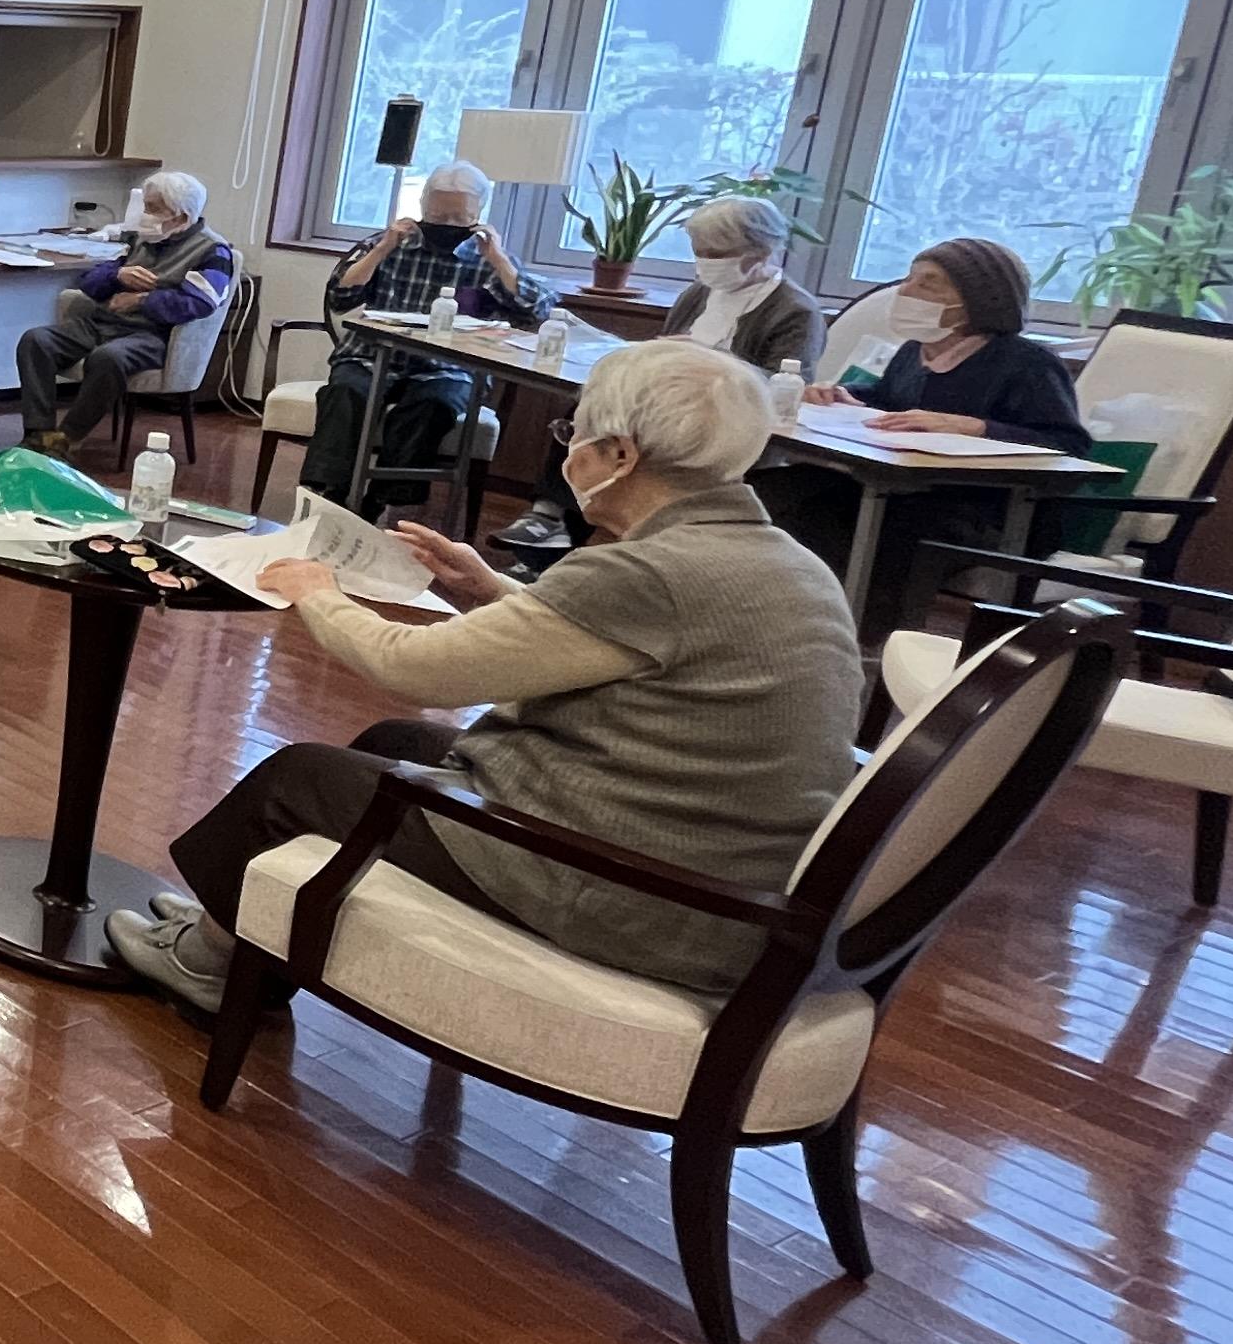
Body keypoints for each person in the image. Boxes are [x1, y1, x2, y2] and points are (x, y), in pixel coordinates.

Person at [108, 339, 861, 1011]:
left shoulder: (643, 572)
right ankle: (244, 933)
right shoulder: (790, 563)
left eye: (574, 435)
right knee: (393, 744)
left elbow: (412, 669)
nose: (569, 453)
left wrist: (317, 592)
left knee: (299, 779)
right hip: (726, 882)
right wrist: (490, 589)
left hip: (640, 895)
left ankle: (207, 962)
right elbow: (616, 647)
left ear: (620, 456)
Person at [757, 234, 1089, 640]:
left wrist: (978, 427)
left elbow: (1067, 445)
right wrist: (843, 395)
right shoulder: (913, 351)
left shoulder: (1028, 363)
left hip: (979, 509)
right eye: (909, 278)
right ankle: (767, 619)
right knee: (774, 492)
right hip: (898, 487)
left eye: (929, 283)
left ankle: (860, 642)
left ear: (978, 298)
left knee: (864, 526)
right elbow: (891, 403)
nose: (906, 291)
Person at [493, 193, 820, 567]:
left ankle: (549, 536)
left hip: (723, 430)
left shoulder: (795, 310)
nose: (704, 263)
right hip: (666, 415)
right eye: (698, 252)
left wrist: (708, 360)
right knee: (592, 410)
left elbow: (787, 387)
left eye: (715, 254)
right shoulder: (698, 294)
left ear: (759, 252)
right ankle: (547, 521)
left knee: (611, 434)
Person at [307, 158, 546, 516]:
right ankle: (329, 494)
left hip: (448, 368)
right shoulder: (389, 243)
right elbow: (340, 298)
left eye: (459, 218)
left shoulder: (487, 257)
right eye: (438, 216)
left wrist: (498, 259)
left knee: (431, 406)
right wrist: (382, 248)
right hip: (370, 356)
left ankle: (380, 501)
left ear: (478, 214)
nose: (447, 226)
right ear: (422, 207)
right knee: (345, 392)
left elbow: (538, 310)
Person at [15, 169, 237, 451]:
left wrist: (142, 301)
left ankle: (67, 439)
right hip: (103, 323)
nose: (145, 215)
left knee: (108, 357)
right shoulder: (140, 239)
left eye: (153, 209)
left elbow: (200, 303)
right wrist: (117, 276)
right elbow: (89, 281)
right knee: (36, 341)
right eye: (146, 206)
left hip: (153, 335)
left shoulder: (212, 251)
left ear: (180, 217)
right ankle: (38, 435)